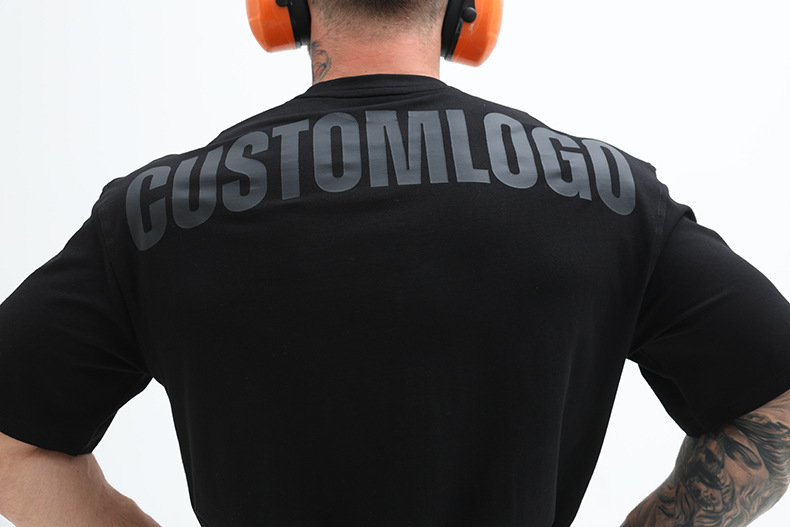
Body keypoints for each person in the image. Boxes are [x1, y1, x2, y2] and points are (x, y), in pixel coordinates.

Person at [0, 0, 789, 526]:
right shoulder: (607, 194)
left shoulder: (158, 210)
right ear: (469, 11)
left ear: (281, 8)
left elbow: (12, 442)